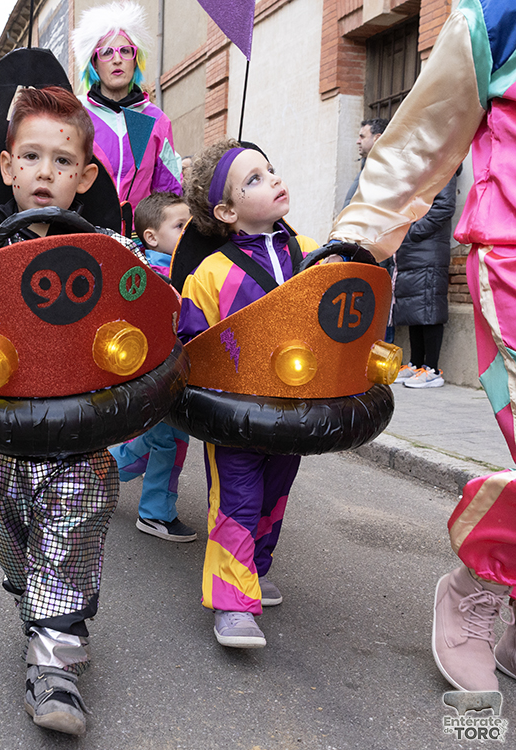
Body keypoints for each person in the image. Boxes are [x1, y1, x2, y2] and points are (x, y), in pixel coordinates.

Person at [0, 86, 148, 737]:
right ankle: (37, 606)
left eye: (62, 161)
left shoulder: (113, 253)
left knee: (71, 533)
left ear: (84, 176)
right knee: (19, 551)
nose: (45, 172)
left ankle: (55, 665)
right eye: (31, 156)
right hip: (0, 443)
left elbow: (146, 307)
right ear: (8, 166)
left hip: (78, 436)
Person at [328, 1, 516, 693]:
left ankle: (500, 579)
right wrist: (354, 247)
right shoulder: (496, 19)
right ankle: (477, 584)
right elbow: (418, 145)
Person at [178, 139, 318, 649]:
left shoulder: (308, 250)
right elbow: (192, 344)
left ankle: (255, 569)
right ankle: (232, 602)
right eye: (254, 179)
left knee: (275, 494)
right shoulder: (211, 274)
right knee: (236, 499)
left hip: (297, 407)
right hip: (235, 413)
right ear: (227, 211)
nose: (273, 179)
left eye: (271, 169)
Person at [110, 191, 196, 542]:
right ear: (151, 236)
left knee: (160, 438)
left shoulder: (182, 269)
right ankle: (156, 513)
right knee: (169, 441)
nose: (188, 232)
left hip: (169, 372)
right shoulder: (153, 274)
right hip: (155, 374)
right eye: (180, 226)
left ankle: (103, 471)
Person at [72, 1, 183, 210]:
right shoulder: (76, 113)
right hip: (86, 232)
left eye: (125, 51)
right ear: (94, 63)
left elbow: (169, 191)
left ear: (135, 60)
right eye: (106, 52)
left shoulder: (156, 119)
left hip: (140, 238)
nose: (117, 60)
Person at [392, 168, 459, 389]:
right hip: (412, 249)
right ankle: (416, 363)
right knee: (414, 305)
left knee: (429, 305)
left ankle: (432, 369)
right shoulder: (422, 168)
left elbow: (444, 207)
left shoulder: (444, 167)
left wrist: (412, 232)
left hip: (428, 248)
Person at [343, 118, 388, 211]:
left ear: (377, 138)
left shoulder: (389, 170)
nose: (358, 141)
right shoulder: (366, 168)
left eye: (362, 137)